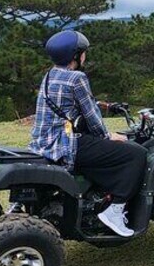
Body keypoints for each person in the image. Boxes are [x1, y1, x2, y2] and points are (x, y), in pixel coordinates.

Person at [29, 30, 146, 237]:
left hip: (43, 143)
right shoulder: (77, 77)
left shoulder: (49, 75)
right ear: (75, 55)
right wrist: (110, 136)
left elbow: (71, 102)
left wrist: (104, 105)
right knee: (134, 154)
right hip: (66, 144)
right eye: (83, 52)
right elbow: (93, 119)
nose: (85, 56)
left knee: (99, 150)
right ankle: (115, 209)